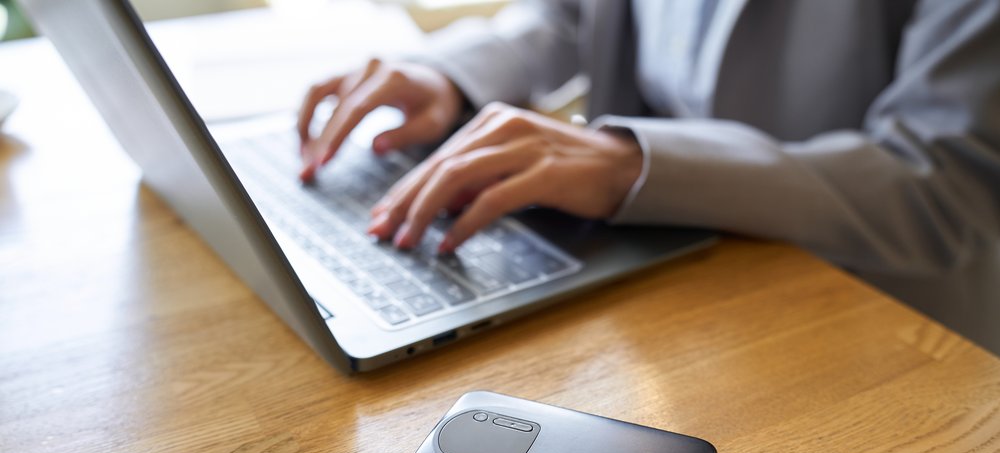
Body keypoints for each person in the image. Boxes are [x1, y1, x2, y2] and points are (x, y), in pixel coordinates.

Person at [297, 0, 1000, 354]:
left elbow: (946, 186)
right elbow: (572, 14)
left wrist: (636, 163)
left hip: (870, 321)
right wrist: (454, 74)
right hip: (666, 279)